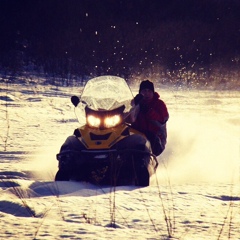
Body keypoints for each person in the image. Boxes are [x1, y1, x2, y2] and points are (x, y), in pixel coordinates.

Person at [131, 80, 169, 156]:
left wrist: (148, 111)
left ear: (153, 92)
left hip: (156, 137)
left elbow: (163, 119)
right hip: (137, 135)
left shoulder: (159, 104)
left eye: (149, 91)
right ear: (140, 92)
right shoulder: (135, 102)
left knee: (149, 142)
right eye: (144, 91)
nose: (147, 94)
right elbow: (127, 116)